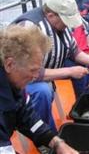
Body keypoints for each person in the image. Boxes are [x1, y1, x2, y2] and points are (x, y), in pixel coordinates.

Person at [13, 0, 89, 133]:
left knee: (85, 68)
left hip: (47, 66)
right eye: (66, 21)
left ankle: (87, 110)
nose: (68, 25)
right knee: (43, 91)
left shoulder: (59, 24)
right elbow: (27, 72)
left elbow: (75, 51)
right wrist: (70, 71)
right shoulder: (29, 29)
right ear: (50, 15)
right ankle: (46, 136)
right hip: (22, 80)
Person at [0, 25, 79, 154]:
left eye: (38, 69)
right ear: (9, 64)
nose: (36, 76)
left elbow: (28, 119)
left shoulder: (16, 85)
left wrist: (57, 143)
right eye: (32, 70)